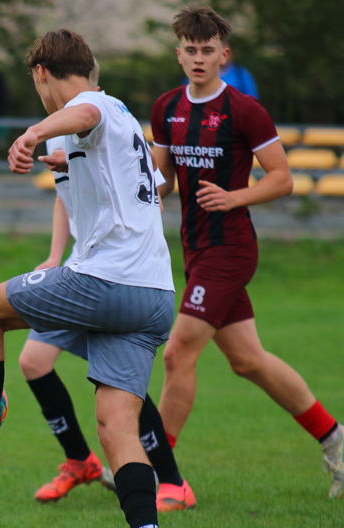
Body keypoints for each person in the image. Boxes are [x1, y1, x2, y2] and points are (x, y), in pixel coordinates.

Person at [0, 29, 175, 528]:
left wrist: (33, 133)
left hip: (106, 281)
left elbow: (82, 117)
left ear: (41, 73)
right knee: (116, 426)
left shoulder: (93, 104)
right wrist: (53, 161)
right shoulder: (127, 122)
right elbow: (152, 184)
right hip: (155, 296)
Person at [151, 5, 344, 500]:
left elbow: (284, 178)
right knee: (248, 361)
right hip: (195, 251)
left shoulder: (243, 109)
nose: (198, 58)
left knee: (177, 353)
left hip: (231, 249)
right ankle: (336, 441)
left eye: (207, 50)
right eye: (190, 51)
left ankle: (162, 475)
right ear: (179, 54)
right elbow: (162, 183)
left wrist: (234, 197)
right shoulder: (166, 108)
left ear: (224, 54)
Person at [21, 60, 194, 514]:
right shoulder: (72, 128)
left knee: (121, 387)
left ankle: (172, 479)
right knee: (35, 362)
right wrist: (55, 255)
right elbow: (66, 199)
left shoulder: (98, 113)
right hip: (83, 269)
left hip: (113, 276)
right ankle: (79, 461)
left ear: (43, 73)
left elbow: (154, 190)